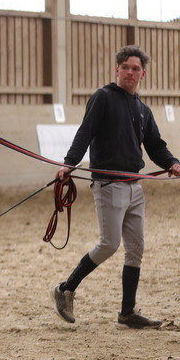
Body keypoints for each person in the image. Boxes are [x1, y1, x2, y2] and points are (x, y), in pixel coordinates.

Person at [51, 45, 180, 329]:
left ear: (142, 74)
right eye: (126, 67)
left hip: (134, 185)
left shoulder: (142, 109)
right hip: (109, 184)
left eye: (135, 69)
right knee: (109, 244)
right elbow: (85, 132)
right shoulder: (103, 98)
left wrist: (172, 162)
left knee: (136, 248)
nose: (130, 72)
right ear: (117, 69)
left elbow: (155, 146)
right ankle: (65, 289)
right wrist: (69, 163)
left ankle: (127, 313)